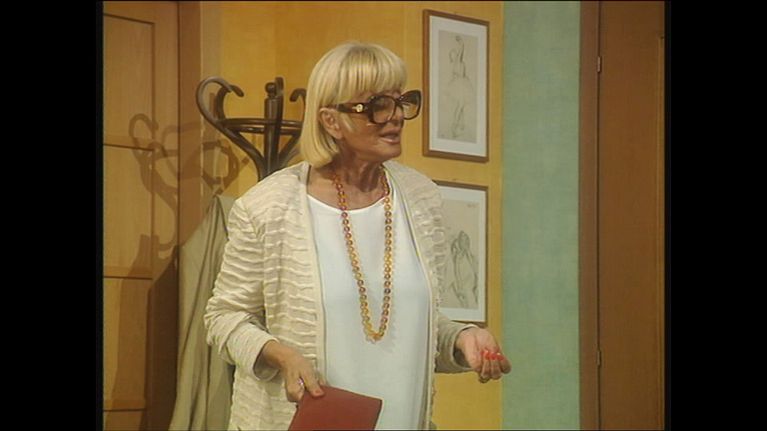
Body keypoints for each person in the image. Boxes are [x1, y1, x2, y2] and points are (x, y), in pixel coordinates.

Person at [205, 41, 511, 430]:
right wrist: (281, 354)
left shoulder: (422, 199)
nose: (395, 116)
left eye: (401, 101)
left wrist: (461, 339)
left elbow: (415, 327)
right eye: (377, 105)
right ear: (331, 121)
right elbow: (224, 317)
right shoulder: (267, 207)